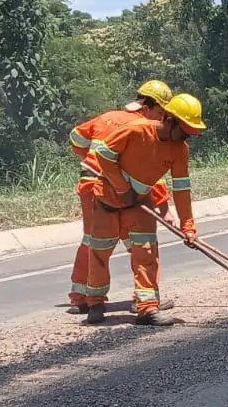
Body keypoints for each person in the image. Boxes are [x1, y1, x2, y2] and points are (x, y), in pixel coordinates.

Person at [75, 92, 206, 323]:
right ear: (168, 119)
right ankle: (95, 303)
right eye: (184, 131)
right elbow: (104, 155)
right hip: (106, 200)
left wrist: (189, 227)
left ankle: (147, 308)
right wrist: (122, 188)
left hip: (140, 203)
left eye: (190, 134)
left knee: (146, 253)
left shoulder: (180, 150)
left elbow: (182, 189)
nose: (185, 137)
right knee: (99, 253)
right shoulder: (136, 131)